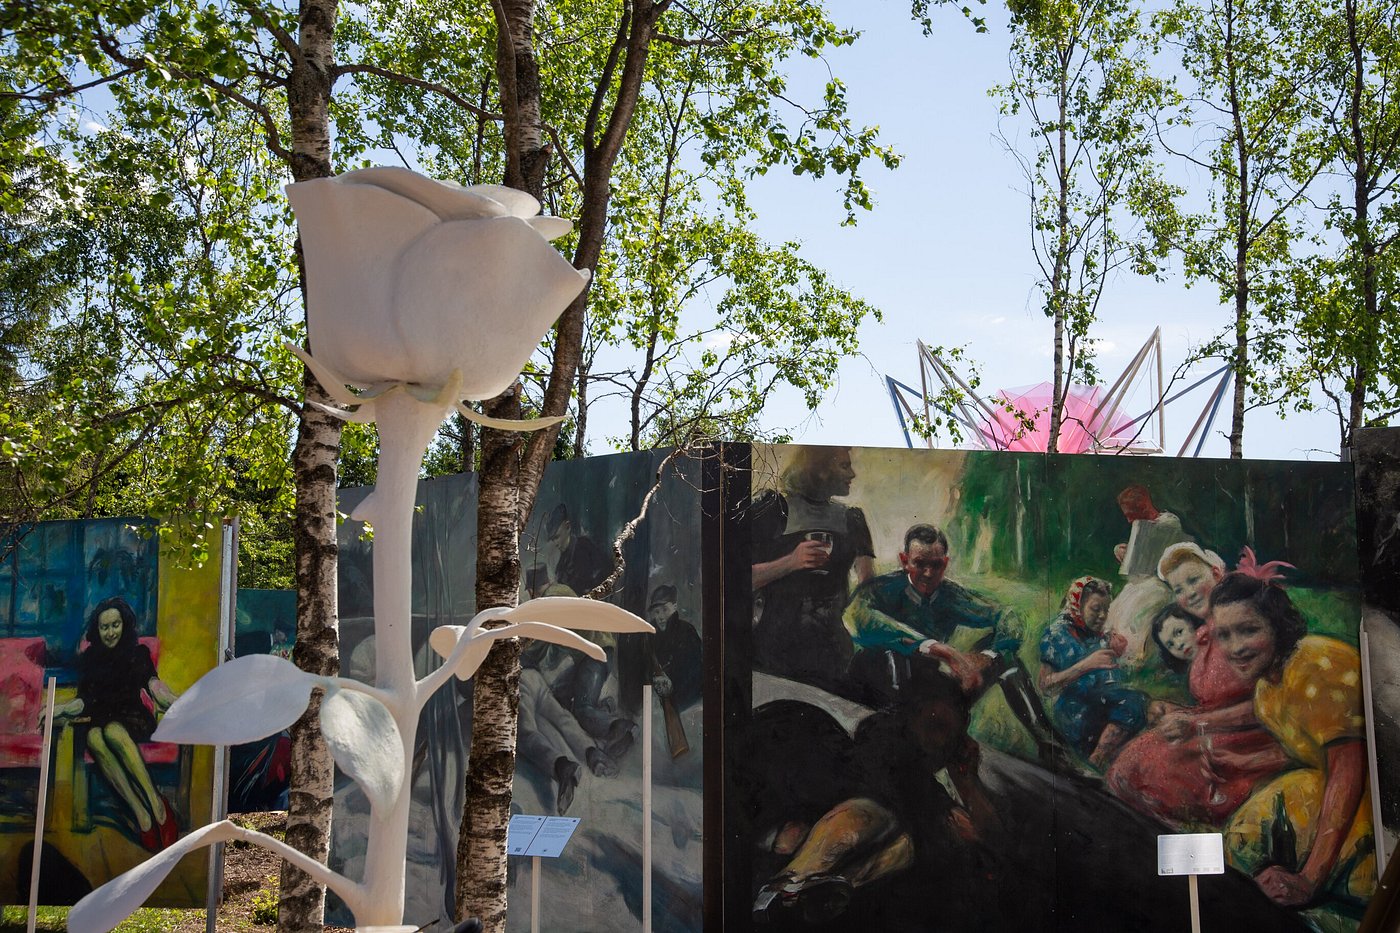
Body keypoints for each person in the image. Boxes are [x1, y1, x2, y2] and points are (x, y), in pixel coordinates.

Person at [1210, 568, 1376, 908]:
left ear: (1277, 626)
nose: (1236, 647)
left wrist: (1310, 879)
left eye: (1249, 630)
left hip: (1376, 795)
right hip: (1331, 785)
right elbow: (1305, 750)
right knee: (1243, 835)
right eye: (1224, 635)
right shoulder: (1265, 690)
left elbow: (1348, 772)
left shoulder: (1315, 665)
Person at [843, 523, 1069, 768]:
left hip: (931, 692)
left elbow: (1009, 616)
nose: (928, 573)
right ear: (904, 561)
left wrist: (987, 656)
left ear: (946, 563)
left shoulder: (950, 595)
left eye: (936, 565)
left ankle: (1052, 749)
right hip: (888, 692)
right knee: (889, 654)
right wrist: (936, 648)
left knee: (1007, 661)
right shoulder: (882, 590)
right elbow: (855, 618)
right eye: (920, 564)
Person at [1107, 544, 1288, 827]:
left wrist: (1195, 723)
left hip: (1249, 740)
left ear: (1216, 573)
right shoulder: (1202, 635)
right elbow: (1212, 702)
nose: (1189, 593)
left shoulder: (1241, 631)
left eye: (1194, 580)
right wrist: (1178, 712)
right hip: (1213, 730)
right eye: (1179, 589)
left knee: (1149, 769)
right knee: (1129, 764)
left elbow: (1267, 703)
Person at [44, 597, 180, 852]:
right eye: (104, 627)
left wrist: (177, 701)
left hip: (133, 718)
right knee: (94, 737)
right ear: (97, 629)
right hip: (101, 717)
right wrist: (59, 709)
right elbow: (84, 701)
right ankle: (141, 813)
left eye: (115, 625)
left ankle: (156, 803)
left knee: (113, 731)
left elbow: (154, 686)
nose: (110, 632)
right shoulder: (90, 659)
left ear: (124, 625)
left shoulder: (137, 653)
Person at [751, 447, 875, 689]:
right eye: (844, 466)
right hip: (775, 649)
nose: (852, 474)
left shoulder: (852, 519)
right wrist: (791, 562)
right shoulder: (773, 509)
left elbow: (867, 586)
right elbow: (737, 578)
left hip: (832, 651)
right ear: (820, 470)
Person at [1038, 577, 1147, 769]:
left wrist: (1119, 651)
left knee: (1141, 704)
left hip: (1103, 704)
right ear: (1077, 606)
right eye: (1096, 609)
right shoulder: (1057, 635)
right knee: (1133, 704)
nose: (1102, 616)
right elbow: (1045, 685)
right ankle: (1095, 763)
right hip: (1076, 710)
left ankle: (1100, 762)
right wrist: (1086, 665)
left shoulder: (1098, 634)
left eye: (1106, 609)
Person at [1104, 485, 1189, 667]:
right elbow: (1140, 559)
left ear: (1143, 507)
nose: (1128, 520)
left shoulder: (1169, 523)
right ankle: (1115, 644)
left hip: (1161, 585)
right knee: (1119, 609)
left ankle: (1134, 655)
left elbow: (1160, 560)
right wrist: (1124, 552)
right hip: (1140, 584)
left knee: (1142, 609)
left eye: (1130, 514)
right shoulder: (1144, 529)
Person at [647, 584, 702, 711]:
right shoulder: (650, 635)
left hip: (688, 700)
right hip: (660, 700)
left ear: (675, 607)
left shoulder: (687, 631)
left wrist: (671, 682)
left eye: (664, 610)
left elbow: (695, 671)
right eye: (657, 612)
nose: (660, 616)